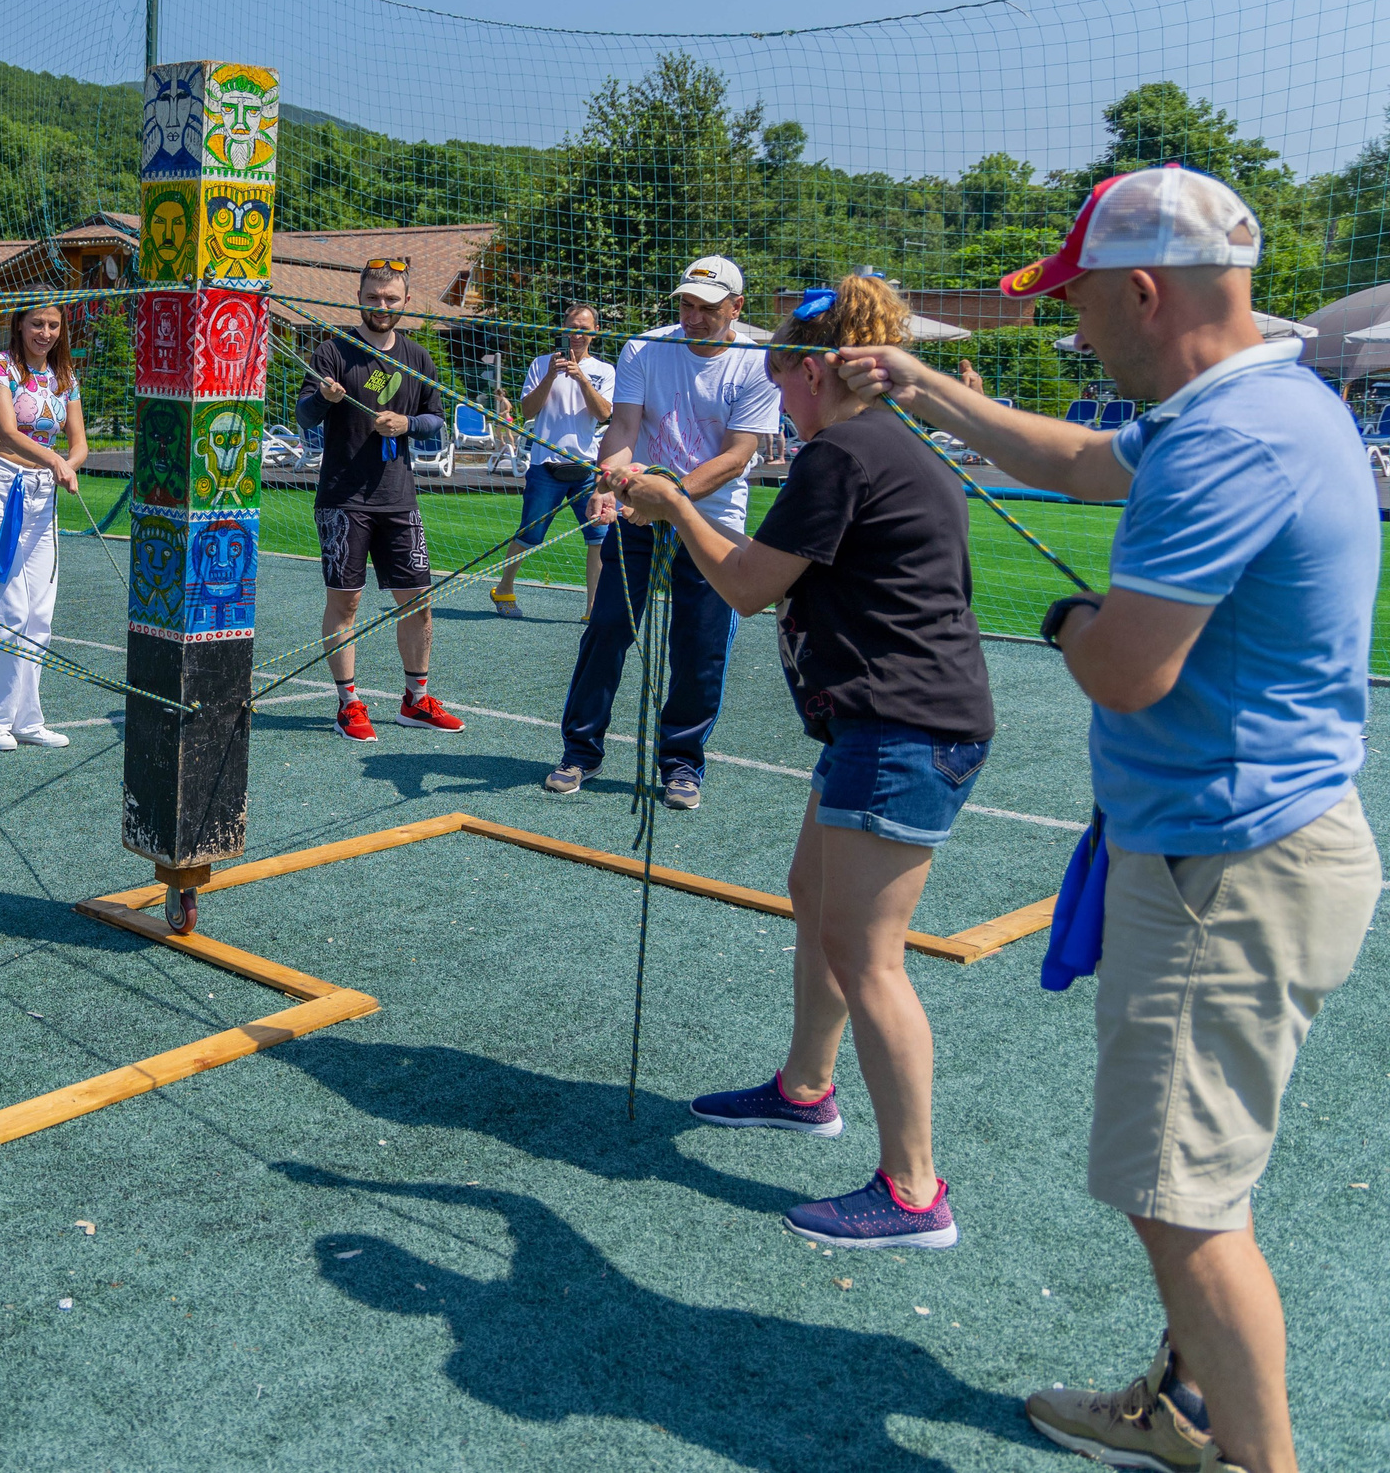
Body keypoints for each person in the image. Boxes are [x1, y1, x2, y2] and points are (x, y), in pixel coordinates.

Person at [842, 165, 1379, 1473]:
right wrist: (922, 381)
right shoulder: (1261, 396)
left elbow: (1128, 663)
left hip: (1226, 868)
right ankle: (1185, 1402)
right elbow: (1078, 457)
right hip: (1238, 846)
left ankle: (1247, 1454)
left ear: (1145, 291)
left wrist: (1069, 620)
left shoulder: (1226, 435)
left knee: (1181, 1202)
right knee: (1199, 1179)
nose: (1073, 331)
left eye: (1080, 303)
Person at [613, 273, 991, 1251]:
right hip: (882, 727)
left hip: (902, 730)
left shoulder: (841, 453)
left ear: (812, 369)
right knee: (816, 904)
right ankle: (804, 1091)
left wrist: (667, 502)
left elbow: (742, 585)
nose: (772, 389)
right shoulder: (875, 444)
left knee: (868, 956)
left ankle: (914, 1193)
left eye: (778, 368)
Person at [545, 255, 778, 809]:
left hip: (712, 522)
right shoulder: (644, 348)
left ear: (737, 307)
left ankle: (681, 765)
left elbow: (739, 455)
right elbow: (623, 427)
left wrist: (668, 500)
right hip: (637, 512)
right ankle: (580, 751)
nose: (693, 317)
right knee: (606, 630)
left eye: (708, 307)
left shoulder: (758, 363)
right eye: (686, 305)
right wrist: (612, 480)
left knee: (699, 649)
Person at [294, 257, 464, 741]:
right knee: (345, 603)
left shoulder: (418, 358)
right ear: (359, 298)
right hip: (342, 499)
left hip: (399, 499)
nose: (381, 306)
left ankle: (416, 700)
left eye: (391, 299)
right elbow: (305, 416)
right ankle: (348, 702)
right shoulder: (332, 352)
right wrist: (323, 400)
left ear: (405, 302)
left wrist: (407, 424)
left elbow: (436, 419)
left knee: (419, 604)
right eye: (373, 297)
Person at [0, 301, 88, 749]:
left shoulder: (65, 377)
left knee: (39, 610)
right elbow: (6, 430)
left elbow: (80, 443)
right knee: (8, 608)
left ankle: (26, 719)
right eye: (36, 323)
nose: (45, 332)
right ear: (18, 325)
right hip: (1, 486)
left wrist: (66, 465)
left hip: (43, 493)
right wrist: (56, 459)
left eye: (53, 325)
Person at [490, 302, 614, 615]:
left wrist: (581, 378)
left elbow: (604, 414)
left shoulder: (604, 371)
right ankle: (504, 589)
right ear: (562, 329)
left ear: (594, 333)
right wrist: (550, 376)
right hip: (546, 466)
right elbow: (527, 411)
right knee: (530, 534)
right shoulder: (541, 363)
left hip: (587, 470)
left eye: (584, 329)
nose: (577, 334)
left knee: (598, 537)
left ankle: (593, 607)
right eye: (572, 327)